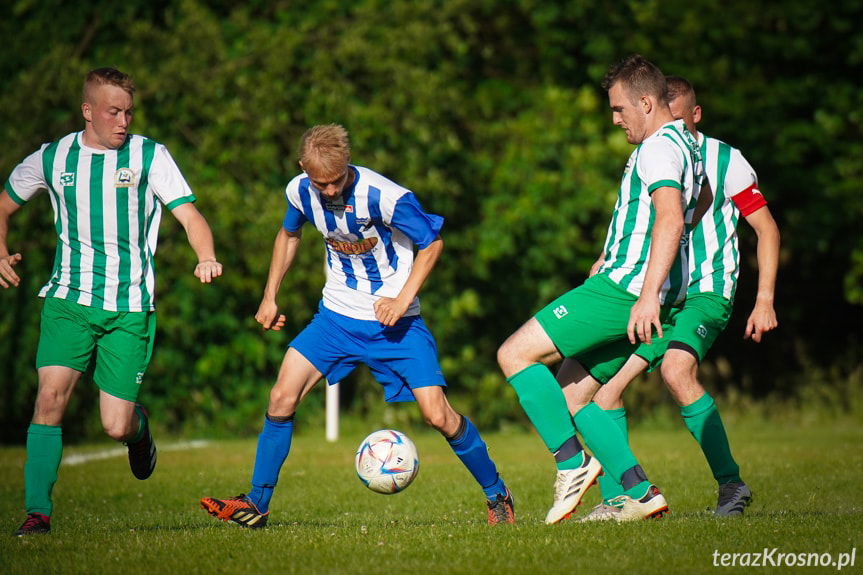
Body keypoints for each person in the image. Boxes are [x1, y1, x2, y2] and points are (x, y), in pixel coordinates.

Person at [200, 124, 514, 528]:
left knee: (438, 415)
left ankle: (497, 495)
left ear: (348, 163)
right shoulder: (299, 191)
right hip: (335, 320)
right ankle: (256, 504)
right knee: (281, 397)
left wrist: (401, 300)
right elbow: (289, 235)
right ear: (303, 169)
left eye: (337, 180)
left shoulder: (384, 196)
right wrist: (269, 295)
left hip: (397, 326)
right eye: (322, 183)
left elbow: (432, 243)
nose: (331, 190)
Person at [0, 68, 223, 537]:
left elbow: (190, 215)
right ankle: (37, 513)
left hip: (128, 307)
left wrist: (206, 256)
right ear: (88, 111)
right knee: (49, 399)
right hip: (67, 300)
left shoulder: (149, 155)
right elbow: (2, 205)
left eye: (128, 113)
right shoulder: (53, 157)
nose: (123, 122)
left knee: (115, 425)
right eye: (113, 112)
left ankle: (138, 432)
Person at [496, 54, 702, 523]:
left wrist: (645, 293)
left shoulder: (658, 148)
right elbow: (678, 214)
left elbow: (670, 218)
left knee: (514, 354)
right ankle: (639, 491)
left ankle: (571, 464)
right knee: (573, 396)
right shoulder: (687, 145)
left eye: (619, 109)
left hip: (625, 292)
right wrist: (618, 252)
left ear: (646, 103)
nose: (615, 119)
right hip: (645, 288)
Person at [565, 76, 780, 522]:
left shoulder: (727, 161)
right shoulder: (653, 154)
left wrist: (764, 299)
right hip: (662, 294)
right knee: (605, 392)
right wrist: (607, 258)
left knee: (676, 369)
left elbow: (767, 230)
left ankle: (731, 484)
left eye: (680, 120)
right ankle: (621, 499)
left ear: (693, 114)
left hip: (706, 291)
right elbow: (639, 223)